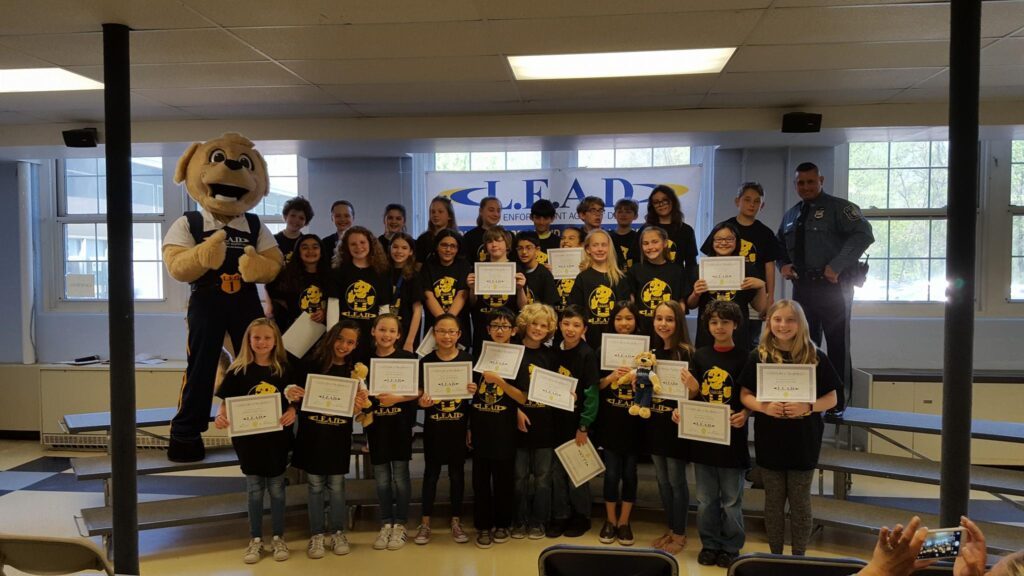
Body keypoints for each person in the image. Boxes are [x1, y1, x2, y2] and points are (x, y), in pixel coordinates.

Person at [739, 299, 839, 556]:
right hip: (770, 439)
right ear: (769, 322)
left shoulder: (815, 357)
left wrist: (807, 407)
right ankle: (775, 556)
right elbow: (745, 394)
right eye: (778, 319)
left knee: (800, 502)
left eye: (790, 320)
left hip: (803, 441)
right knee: (772, 501)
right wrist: (762, 407)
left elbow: (832, 398)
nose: (783, 325)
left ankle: (799, 558)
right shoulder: (758, 356)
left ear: (801, 324)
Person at [777, 162, 873, 413]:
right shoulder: (791, 215)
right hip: (803, 288)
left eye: (810, 181)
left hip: (833, 288)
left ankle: (839, 402)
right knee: (803, 344)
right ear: (795, 184)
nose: (806, 187)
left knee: (837, 344)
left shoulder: (840, 209)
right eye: (800, 182)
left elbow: (864, 234)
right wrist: (783, 265)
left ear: (821, 180)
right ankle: (808, 397)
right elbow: (778, 246)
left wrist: (838, 265)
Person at [212, 318, 296, 564]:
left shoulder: (284, 369)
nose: (262, 342)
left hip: (277, 441)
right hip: (249, 442)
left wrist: (292, 411)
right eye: (256, 338)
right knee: (255, 491)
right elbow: (225, 402)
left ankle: (279, 537)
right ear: (249, 340)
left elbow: (293, 401)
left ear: (275, 341)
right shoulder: (238, 371)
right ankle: (256, 539)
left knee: (278, 491)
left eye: (267, 338)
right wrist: (220, 414)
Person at [673, 300, 750, 568]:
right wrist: (683, 409)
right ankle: (710, 543)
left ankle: (731, 546)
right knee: (706, 500)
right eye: (714, 322)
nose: (719, 327)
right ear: (708, 325)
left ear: (735, 325)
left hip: (732, 440)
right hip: (704, 439)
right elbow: (693, 395)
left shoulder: (746, 356)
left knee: (731, 500)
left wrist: (747, 415)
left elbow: (748, 397)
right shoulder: (700, 355)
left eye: (725, 322)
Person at [285, 320, 370, 559]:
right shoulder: (310, 364)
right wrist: (292, 394)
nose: (343, 345)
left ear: (356, 346)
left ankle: (337, 531)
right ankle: (317, 534)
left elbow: (357, 411)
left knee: (336, 485)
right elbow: (292, 391)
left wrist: (357, 406)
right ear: (332, 337)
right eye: (340, 339)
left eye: (350, 342)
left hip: (337, 437)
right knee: (314, 485)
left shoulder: (355, 371)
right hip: (312, 436)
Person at [414, 314, 477, 546]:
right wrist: (421, 402)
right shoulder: (426, 362)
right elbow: (419, 395)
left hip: (459, 427)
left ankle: (456, 520)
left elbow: (474, 400)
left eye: (452, 332)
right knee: (430, 474)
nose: (447, 336)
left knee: (457, 474)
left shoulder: (468, 360)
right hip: (434, 427)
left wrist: (474, 389)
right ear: (434, 333)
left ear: (459, 335)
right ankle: (425, 522)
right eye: (442, 331)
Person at [360, 314, 420, 551]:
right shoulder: (363, 361)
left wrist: (398, 397)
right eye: (382, 329)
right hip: (376, 427)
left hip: (401, 424)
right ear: (373, 331)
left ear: (399, 335)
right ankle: (386, 522)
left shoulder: (408, 358)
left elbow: (418, 391)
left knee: (401, 476)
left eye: (392, 331)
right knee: (382, 477)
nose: (387, 335)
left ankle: (401, 524)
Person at [648, 300, 699, 555]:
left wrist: (693, 387)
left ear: (678, 323)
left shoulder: (687, 352)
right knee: (662, 481)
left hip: (676, 426)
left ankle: (680, 533)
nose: (663, 324)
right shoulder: (652, 353)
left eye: (669, 319)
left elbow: (697, 393)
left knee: (677, 482)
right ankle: (671, 528)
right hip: (656, 424)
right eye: (659, 318)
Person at [700, 182, 778, 347]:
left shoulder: (766, 233)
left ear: (762, 205)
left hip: (751, 292)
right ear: (737, 201)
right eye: (747, 199)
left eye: (757, 201)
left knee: (749, 341)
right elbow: (709, 260)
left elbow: (769, 266)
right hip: (722, 294)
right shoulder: (723, 228)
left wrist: (769, 297)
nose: (752, 204)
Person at [470, 309, 523, 548]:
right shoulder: (478, 357)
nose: (500, 330)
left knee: (503, 479)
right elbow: (470, 395)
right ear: (488, 330)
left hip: (505, 428)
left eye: (505, 326)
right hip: (481, 425)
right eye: (495, 326)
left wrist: (499, 381)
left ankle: (502, 523)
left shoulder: (520, 357)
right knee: (480, 479)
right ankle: (482, 526)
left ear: (514, 331)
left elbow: (522, 397)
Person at [548, 305, 600, 539]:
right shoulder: (552, 352)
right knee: (557, 474)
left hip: (576, 425)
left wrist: (584, 426)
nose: (570, 329)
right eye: (566, 324)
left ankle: (582, 517)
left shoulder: (587, 354)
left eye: (576, 325)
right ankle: (561, 516)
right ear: (559, 325)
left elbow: (592, 393)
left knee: (577, 473)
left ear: (584, 329)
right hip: (555, 422)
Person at [595, 301, 645, 546]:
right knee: (612, 474)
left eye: (629, 318)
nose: (624, 323)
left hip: (635, 425)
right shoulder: (601, 349)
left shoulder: (647, 351)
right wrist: (610, 377)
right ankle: (610, 520)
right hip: (610, 423)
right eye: (619, 318)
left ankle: (625, 522)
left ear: (636, 321)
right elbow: (594, 386)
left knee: (630, 473)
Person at [510, 303, 559, 540]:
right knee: (518, 478)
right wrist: (515, 410)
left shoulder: (551, 355)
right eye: (534, 324)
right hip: (516, 422)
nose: (538, 329)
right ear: (524, 324)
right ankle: (518, 521)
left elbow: (560, 386)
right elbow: (503, 387)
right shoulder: (512, 351)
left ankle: (539, 521)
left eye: (543, 325)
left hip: (545, 424)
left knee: (542, 478)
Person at [688, 222, 767, 348]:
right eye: (718, 239)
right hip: (708, 332)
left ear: (737, 242)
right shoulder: (700, 269)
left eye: (729, 239)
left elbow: (759, 307)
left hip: (738, 332)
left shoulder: (747, 269)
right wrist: (695, 293)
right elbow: (691, 305)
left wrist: (761, 286)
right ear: (712, 242)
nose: (724, 243)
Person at [331, 226, 392, 353]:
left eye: (362, 242)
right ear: (346, 247)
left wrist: (381, 335)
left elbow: (384, 308)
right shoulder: (339, 271)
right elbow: (333, 305)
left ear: (371, 243)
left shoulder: (381, 273)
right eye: (353, 244)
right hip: (344, 335)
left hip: (371, 334)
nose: (358, 247)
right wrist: (331, 336)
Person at [467, 226, 524, 355]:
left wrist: (520, 290)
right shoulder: (478, 268)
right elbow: (472, 304)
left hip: (507, 329)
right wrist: (471, 289)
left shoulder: (516, 268)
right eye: (490, 241)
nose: (494, 245)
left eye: (498, 240)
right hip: (482, 327)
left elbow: (523, 306)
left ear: (507, 244)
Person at [265, 233, 329, 336]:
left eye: (315, 247)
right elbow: (271, 289)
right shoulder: (287, 275)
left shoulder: (330, 276)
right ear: (298, 252)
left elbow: (335, 301)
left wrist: (325, 312)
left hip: (322, 331)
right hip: (294, 331)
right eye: (305, 247)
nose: (310, 251)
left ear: (321, 252)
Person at [568, 229, 631, 330]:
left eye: (604, 245)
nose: (600, 249)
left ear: (609, 248)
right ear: (588, 249)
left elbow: (626, 312)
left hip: (614, 337)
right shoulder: (582, 278)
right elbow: (575, 310)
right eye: (595, 245)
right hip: (589, 336)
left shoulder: (620, 278)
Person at [419, 229, 471, 351]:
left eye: (453, 246)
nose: (448, 250)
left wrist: (449, 325)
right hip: (435, 325)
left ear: (458, 249)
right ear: (437, 246)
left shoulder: (464, 265)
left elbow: (462, 294)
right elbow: (428, 295)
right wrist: (443, 324)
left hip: (458, 326)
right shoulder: (428, 266)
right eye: (444, 245)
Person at [629, 226, 687, 335]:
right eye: (645, 243)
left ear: (665, 243)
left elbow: (681, 304)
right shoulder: (635, 270)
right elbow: (631, 302)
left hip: (668, 331)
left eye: (655, 242)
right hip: (642, 330)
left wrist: (678, 329)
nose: (650, 247)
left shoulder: (677, 271)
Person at [642, 184, 698, 291]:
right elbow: (637, 260)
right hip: (650, 284)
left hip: (677, 283)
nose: (661, 204)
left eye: (665, 200)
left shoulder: (686, 230)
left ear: (673, 201)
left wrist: (690, 288)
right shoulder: (646, 230)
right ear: (652, 206)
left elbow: (691, 264)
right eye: (656, 202)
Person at [388, 232, 423, 353]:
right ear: (390, 248)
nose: (399, 251)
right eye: (395, 247)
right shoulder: (382, 273)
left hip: (406, 332)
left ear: (411, 252)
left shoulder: (414, 276)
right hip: (384, 331)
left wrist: (410, 341)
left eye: (404, 248)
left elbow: (417, 310)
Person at [515, 231, 558, 308]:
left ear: (537, 250)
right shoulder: (516, 271)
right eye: (520, 248)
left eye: (528, 248)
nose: (524, 252)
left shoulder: (545, 273)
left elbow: (550, 305)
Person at [415, 196, 459, 264]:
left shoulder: (458, 239)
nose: (435, 215)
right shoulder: (423, 239)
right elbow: (418, 266)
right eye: (433, 212)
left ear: (449, 216)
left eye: (440, 212)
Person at [462, 196, 504, 262]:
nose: (496, 214)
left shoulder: (506, 236)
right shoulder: (469, 237)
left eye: (498, 211)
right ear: (481, 211)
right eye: (491, 210)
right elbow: (465, 263)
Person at [274, 196, 314, 262]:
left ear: (306, 223)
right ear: (285, 216)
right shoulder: (273, 240)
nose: (296, 220)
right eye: (293, 215)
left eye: (301, 218)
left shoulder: (306, 242)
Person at [554, 226, 584, 314]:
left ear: (581, 244)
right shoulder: (550, 265)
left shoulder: (587, 268)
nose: (565, 241)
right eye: (563, 238)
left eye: (571, 238)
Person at [320, 200, 355, 269]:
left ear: (353, 218)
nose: (342, 219)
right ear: (332, 218)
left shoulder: (361, 243)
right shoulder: (324, 243)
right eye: (338, 216)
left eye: (346, 216)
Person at [529, 199, 562, 264]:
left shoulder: (559, 242)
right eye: (538, 218)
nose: (541, 222)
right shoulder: (525, 241)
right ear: (531, 217)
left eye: (546, 218)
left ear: (552, 219)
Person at [611, 198, 639, 271]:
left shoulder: (639, 237)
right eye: (620, 212)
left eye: (628, 212)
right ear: (614, 215)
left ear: (635, 216)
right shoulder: (608, 237)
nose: (623, 215)